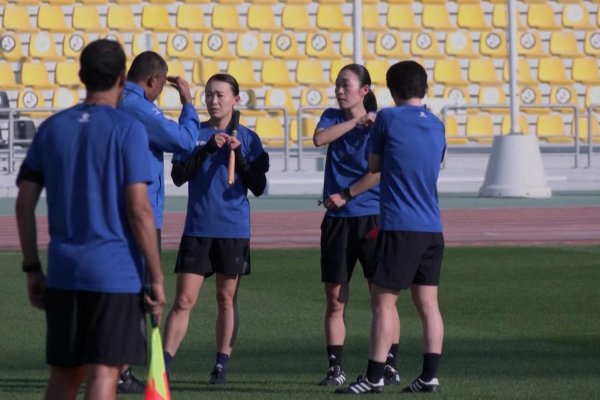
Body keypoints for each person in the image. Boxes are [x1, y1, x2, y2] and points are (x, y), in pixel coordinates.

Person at [14, 39, 166, 400]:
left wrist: (32, 267)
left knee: (64, 376)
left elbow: (24, 203)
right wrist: (156, 276)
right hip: (114, 273)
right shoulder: (128, 129)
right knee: (103, 374)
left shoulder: (52, 128)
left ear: (81, 75)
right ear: (121, 77)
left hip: (65, 270)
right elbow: (138, 209)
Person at [336, 60, 446, 395]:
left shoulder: (387, 118)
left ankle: (374, 376)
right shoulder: (438, 123)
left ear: (392, 89)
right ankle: (429, 375)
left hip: (401, 223)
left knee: (383, 302)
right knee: (428, 304)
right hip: (432, 224)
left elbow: (374, 165)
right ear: (423, 87)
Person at [162, 73, 269, 385]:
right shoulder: (192, 132)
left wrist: (242, 158)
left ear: (235, 99)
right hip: (197, 228)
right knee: (183, 300)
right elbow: (179, 177)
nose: (213, 100)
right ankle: (164, 365)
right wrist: (207, 149)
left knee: (226, 298)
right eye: (209, 94)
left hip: (233, 229)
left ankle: (221, 364)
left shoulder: (249, 138)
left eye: (221, 94)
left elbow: (259, 186)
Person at [117, 50, 200, 392]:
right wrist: (188, 103)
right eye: (159, 88)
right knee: (136, 292)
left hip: (118, 208)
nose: (158, 94)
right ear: (152, 81)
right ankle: (118, 371)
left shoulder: (114, 102)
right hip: (138, 211)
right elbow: (183, 141)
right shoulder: (137, 106)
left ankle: (112, 368)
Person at [313, 64, 400, 387]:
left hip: (372, 216)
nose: (339, 90)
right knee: (335, 298)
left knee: (382, 297)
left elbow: (378, 172)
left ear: (364, 90)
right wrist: (355, 121)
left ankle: (388, 364)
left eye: (346, 85)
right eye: (337, 85)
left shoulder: (381, 123)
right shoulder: (333, 117)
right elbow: (319, 139)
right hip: (337, 220)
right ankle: (335, 368)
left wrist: (346, 195)